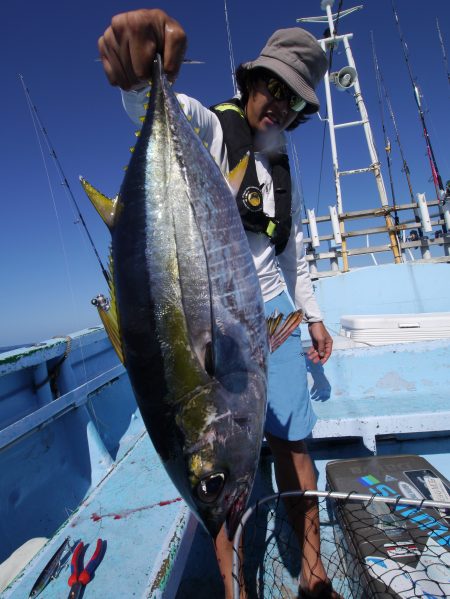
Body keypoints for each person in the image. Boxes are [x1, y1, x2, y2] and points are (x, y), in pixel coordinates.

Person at [98, 9, 338, 599]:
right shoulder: (210, 130)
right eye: (272, 87)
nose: (279, 104)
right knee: (220, 485)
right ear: (250, 82)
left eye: (296, 101)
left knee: (293, 447)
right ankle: (233, 588)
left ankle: (313, 572)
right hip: (219, 324)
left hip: (266, 317)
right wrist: (141, 82)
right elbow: (167, 113)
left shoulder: (283, 164)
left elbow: (294, 250)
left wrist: (313, 316)